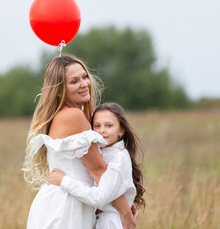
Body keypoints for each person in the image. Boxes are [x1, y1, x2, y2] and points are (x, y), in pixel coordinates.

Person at [22, 55, 136, 229]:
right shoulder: (73, 116)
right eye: (74, 81)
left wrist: (116, 199)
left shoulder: (61, 115)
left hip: (62, 201)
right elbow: (97, 170)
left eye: (84, 77)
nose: (84, 84)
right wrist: (124, 211)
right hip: (67, 207)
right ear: (60, 89)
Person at [48, 102, 145, 229]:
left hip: (111, 222)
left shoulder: (119, 158)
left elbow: (99, 198)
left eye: (109, 125)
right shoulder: (102, 152)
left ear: (121, 130)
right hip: (100, 219)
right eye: (97, 126)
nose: (102, 130)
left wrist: (63, 181)